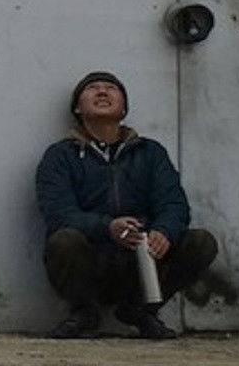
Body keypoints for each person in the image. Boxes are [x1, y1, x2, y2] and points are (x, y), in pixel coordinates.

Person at [35, 71, 218, 339]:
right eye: (92, 88)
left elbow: (173, 203)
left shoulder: (150, 152)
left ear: (124, 108)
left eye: (111, 88)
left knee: (201, 242)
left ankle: (141, 310)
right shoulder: (60, 156)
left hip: (143, 259)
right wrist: (108, 227)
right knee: (63, 240)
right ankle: (84, 312)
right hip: (93, 259)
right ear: (77, 108)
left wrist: (163, 232)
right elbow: (58, 213)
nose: (102, 92)